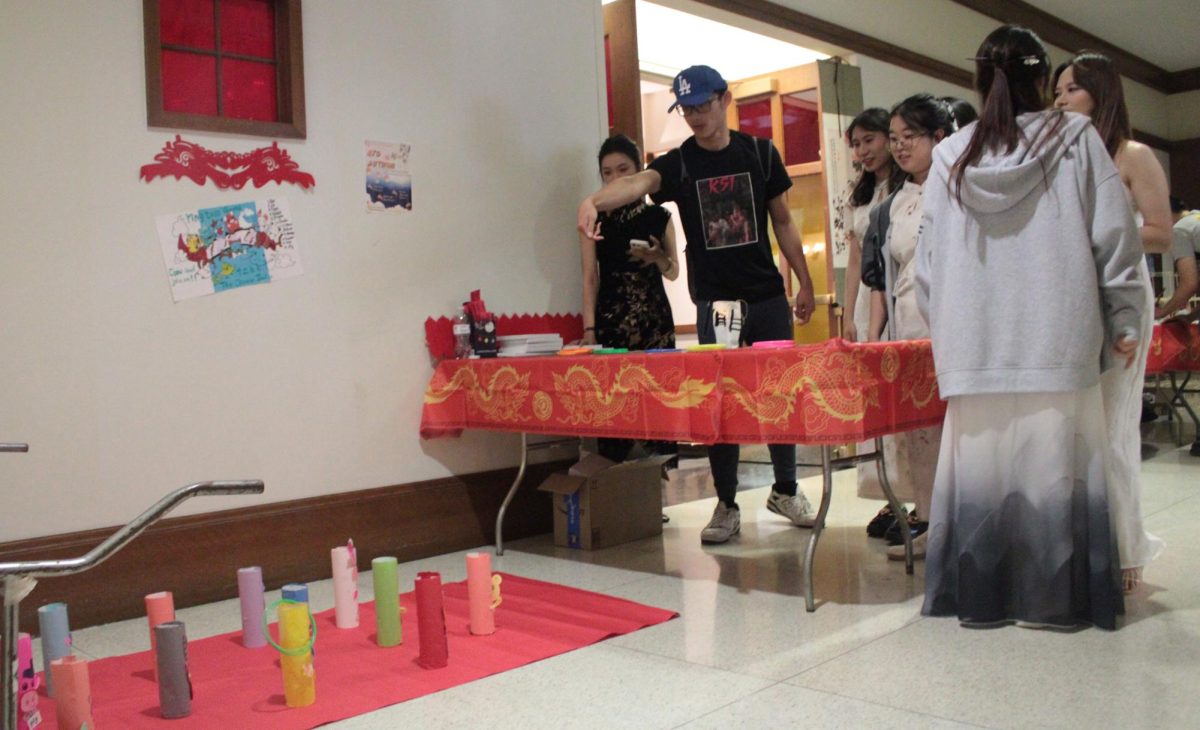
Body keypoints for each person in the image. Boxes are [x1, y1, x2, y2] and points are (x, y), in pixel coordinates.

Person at [916, 25, 1146, 630]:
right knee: (1057, 478)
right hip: (1058, 336)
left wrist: (951, 335)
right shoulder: (1075, 139)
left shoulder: (951, 157)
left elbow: (929, 266)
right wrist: (1122, 314)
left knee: (983, 484)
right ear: (1042, 79)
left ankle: (984, 600)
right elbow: (1114, 237)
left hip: (974, 344)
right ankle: (1053, 603)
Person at [577, 64, 818, 544]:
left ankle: (786, 489)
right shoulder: (679, 163)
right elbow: (635, 184)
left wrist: (804, 283)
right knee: (720, 404)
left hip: (767, 294)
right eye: (686, 108)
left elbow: (785, 222)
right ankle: (726, 503)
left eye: (702, 105)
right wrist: (593, 201)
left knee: (780, 394)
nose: (695, 116)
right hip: (715, 302)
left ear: (725, 100)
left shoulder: (761, 153)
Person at [1054, 51, 1168, 592]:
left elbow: (1161, 232)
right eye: (1057, 92)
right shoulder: (1066, 158)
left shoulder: (1133, 153)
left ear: (1099, 92)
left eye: (1071, 90)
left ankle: (1125, 548)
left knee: (1115, 424)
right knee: (1077, 426)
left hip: (1122, 290)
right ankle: (1082, 545)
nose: (1060, 100)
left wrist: (1096, 234)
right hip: (1075, 295)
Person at [861, 94, 964, 560]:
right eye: (896, 139)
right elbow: (882, 276)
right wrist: (874, 337)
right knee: (917, 430)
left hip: (953, 325)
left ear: (940, 137)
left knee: (955, 426)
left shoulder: (962, 188)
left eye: (911, 138)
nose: (900, 148)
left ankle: (962, 520)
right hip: (908, 326)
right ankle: (926, 517)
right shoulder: (895, 203)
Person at [834, 108, 911, 539]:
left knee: (903, 396)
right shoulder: (859, 193)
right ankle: (890, 495)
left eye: (870, 140)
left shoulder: (909, 184)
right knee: (876, 402)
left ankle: (918, 497)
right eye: (856, 144)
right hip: (867, 299)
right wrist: (848, 316)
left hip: (900, 292)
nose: (863, 151)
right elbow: (852, 260)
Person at [579, 134, 680, 463]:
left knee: (657, 407)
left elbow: (674, 271)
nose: (615, 178)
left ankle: (655, 498)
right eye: (607, 172)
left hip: (655, 322)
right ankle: (620, 495)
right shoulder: (594, 218)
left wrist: (657, 258)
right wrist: (590, 330)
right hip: (612, 320)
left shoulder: (659, 216)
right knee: (616, 409)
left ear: (638, 171)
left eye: (623, 169)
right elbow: (589, 277)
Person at [1157, 197, 1199, 321]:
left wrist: (1162, 312)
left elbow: (1189, 283)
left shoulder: (1180, 230)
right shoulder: (1196, 220)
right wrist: (1191, 317)